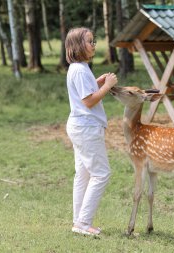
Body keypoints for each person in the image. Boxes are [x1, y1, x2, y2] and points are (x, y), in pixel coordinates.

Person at [65, 27, 118, 236]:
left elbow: (84, 92)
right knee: (101, 173)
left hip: (81, 127)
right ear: (78, 46)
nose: (93, 44)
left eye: (93, 40)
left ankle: (78, 221)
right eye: (89, 41)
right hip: (86, 128)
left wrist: (98, 82)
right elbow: (88, 101)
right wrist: (108, 86)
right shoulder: (79, 69)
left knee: (84, 174)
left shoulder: (80, 68)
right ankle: (84, 223)